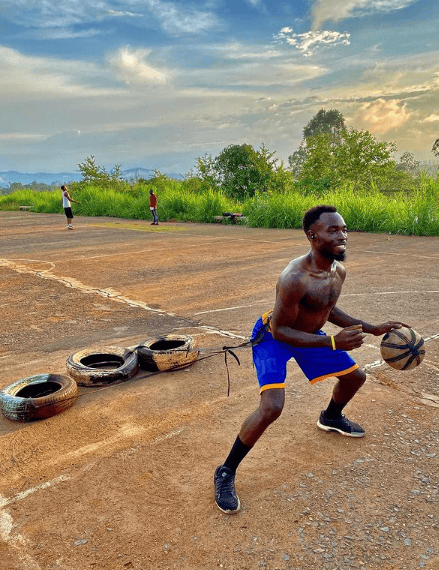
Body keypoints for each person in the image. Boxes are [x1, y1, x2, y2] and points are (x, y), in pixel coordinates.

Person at [214, 204, 408, 514]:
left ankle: (330, 417)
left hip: (308, 335)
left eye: (343, 229)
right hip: (274, 338)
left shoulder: (337, 271)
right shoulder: (294, 277)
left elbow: (326, 309)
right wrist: (331, 341)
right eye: (333, 230)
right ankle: (226, 471)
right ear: (313, 236)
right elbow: (280, 330)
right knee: (271, 408)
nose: (342, 235)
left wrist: (372, 328)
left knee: (355, 377)